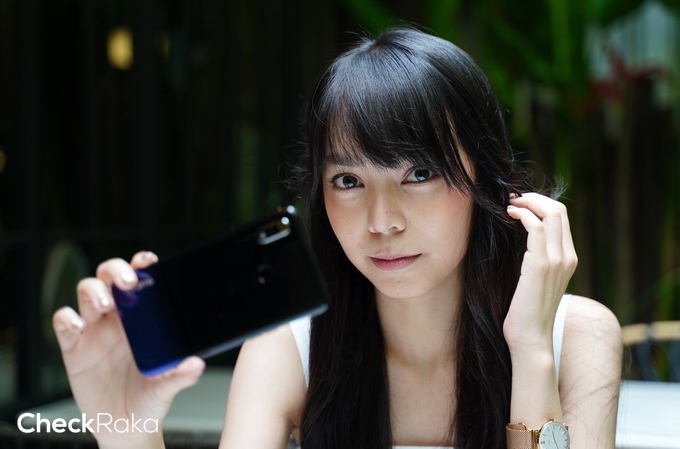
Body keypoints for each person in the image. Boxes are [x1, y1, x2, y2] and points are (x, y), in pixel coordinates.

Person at [52, 27, 622, 449]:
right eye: (348, 180)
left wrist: (530, 351)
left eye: (419, 173)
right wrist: (125, 429)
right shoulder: (290, 349)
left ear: (488, 180)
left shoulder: (575, 338)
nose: (382, 221)